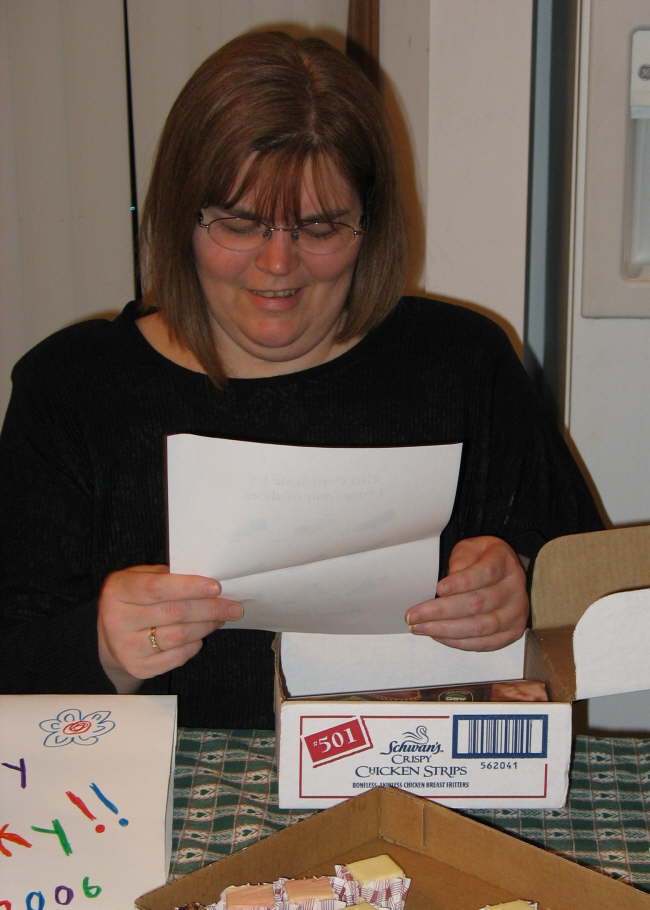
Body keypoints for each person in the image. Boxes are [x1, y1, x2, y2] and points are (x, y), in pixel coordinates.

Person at [0, 30, 601, 728]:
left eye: (319, 228)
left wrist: (524, 585)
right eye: (239, 224)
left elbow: (594, 596)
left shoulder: (461, 366)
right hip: (147, 803)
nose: (277, 266)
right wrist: (100, 647)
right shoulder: (74, 389)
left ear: (370, 226)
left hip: (409, 792)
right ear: (181, 218)